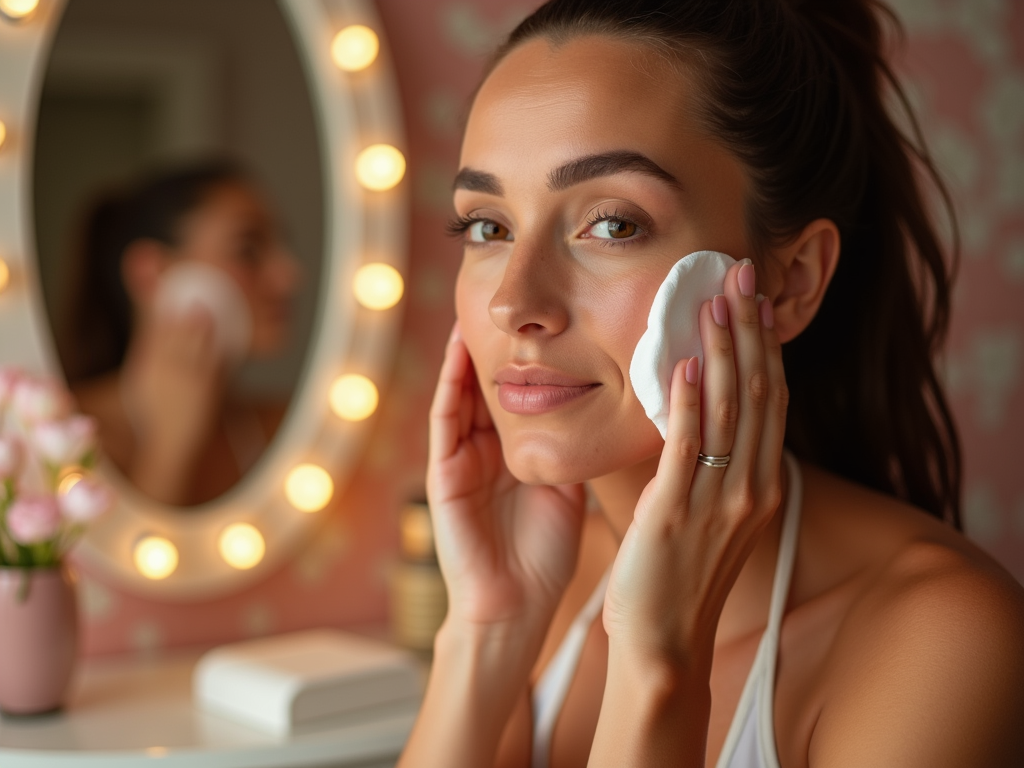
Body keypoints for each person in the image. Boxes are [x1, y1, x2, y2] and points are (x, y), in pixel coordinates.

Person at [398, 1, 1024, 766]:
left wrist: (660, 666)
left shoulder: (943, 642)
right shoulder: (542, 578)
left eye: (612, 223)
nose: (514, 303)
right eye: (488, 226)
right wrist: (485, 632)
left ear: (790, 282)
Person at [59, 161, 300, 506]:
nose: (289, 276)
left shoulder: (287, 431)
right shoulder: (59, 436)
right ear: (152, 273)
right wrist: (169, 444)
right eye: (248, 250)